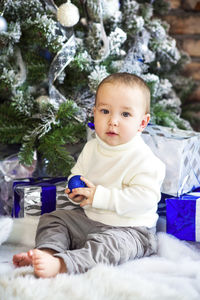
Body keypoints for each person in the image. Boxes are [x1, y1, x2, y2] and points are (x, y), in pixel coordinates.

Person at [13, 72, 166, 278]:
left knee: (107, 247)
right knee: (54, 218)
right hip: (89, 219)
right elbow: (77, 174)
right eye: (105, 111)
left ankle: (62, 265)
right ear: (94, 112)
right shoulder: (92, 147)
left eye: (125, 115)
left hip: (131, 230)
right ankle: (49, 251)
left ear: (142, 122)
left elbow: (144, 199)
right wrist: (74, 191)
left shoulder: (144, 160)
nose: (113, 121)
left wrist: (98, 196)